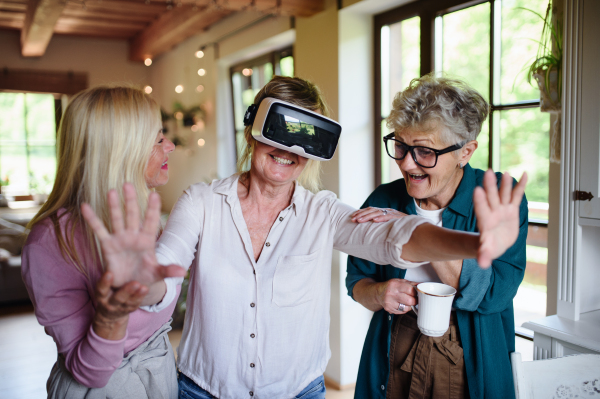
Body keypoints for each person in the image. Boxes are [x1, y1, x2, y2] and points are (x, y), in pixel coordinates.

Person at [82, 76, 526, 399]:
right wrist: (143, 281)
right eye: (280, 129)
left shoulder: (322, 211)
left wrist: (475, 245)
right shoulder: (200, 202)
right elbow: (165, 272)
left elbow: (395, 235)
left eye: (306, 136)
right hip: (203, 391)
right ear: (253, 126)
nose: (290, 148)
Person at [346, 74, 528, 399]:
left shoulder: (500, 197)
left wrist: (416, 231)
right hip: (393, 347)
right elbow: (356, 281)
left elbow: (496, 296)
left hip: (472, 355)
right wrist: (379, 293)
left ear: (465, 152)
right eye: (400, 145)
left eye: (424, 152)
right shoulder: (384, 200)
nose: (406, 163)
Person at [22, 86, 185, 398]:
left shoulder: (141, 218)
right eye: (157, 138)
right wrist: (111, 318)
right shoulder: (48, 243)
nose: (171, 145)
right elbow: (90, 373)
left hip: (159, 377)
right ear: (122, 151)